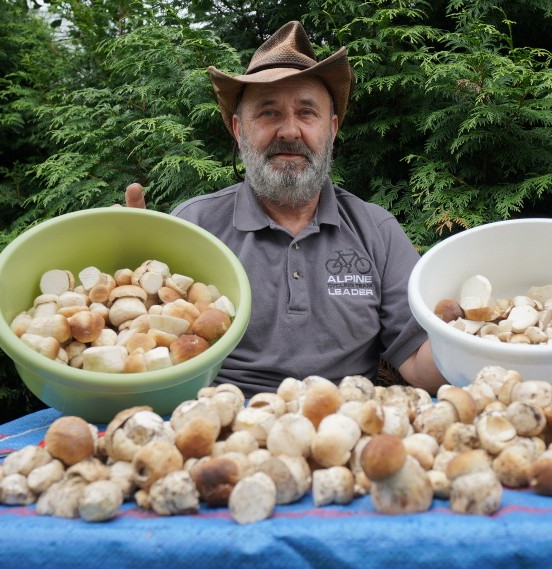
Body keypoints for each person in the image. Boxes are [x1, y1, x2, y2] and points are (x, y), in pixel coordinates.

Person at [125, 21, 446, 396]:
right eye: (269, 113)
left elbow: (422, 368)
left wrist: (490, 335)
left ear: (332, 128)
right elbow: (151, 352)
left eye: (307, 113)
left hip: (344, 425)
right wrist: (128, 277)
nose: (290, 131)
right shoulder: (194, 225)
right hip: (223, 423)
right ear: (239, 130)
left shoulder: (377, 231)